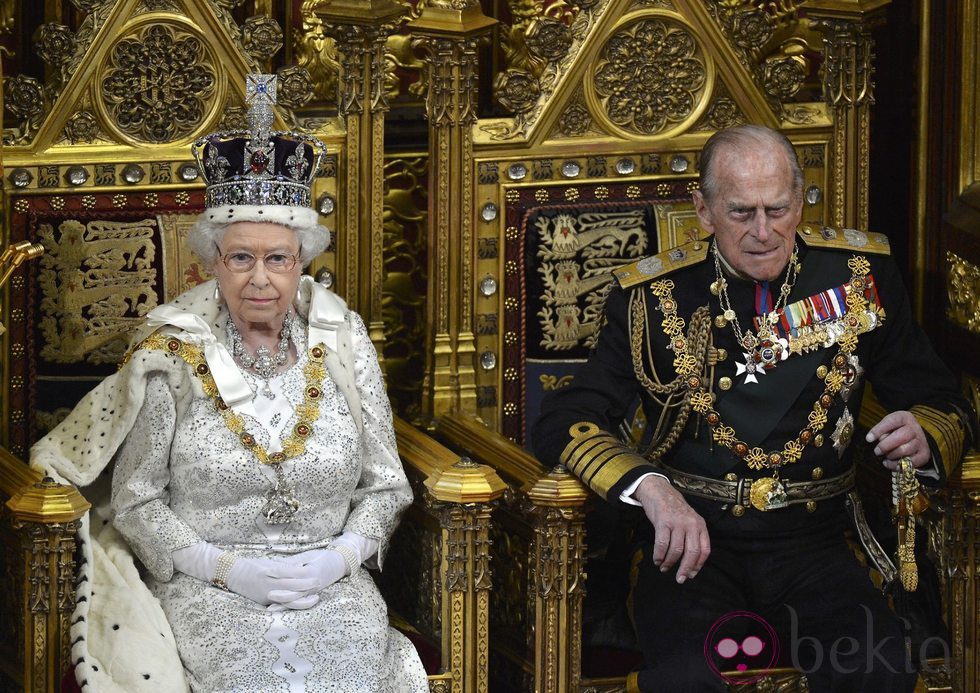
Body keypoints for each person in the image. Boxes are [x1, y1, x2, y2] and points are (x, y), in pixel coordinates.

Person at [532, 124, 974, 692]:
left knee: (877, 669)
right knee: (690, 679)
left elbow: (944, 401)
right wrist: (649, 488)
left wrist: (924, 433)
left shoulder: (858, 277)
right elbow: (568, 419)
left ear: (801, 199)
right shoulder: (651, 297)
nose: (764, 232)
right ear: (704, 209)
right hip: (694, 547)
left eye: (778, 209)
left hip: (818, 543)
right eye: (742, 212)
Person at [31, 75, 428, 692]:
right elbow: (135, 498)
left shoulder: (344, 344)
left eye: (279, 258)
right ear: (211, 263)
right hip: (209, 591)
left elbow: (385, 484)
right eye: (241, 257)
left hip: (334, 591)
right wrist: (222, 569)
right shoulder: (172, 353)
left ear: (302, 262)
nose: (261, 279)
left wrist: (340, 558)